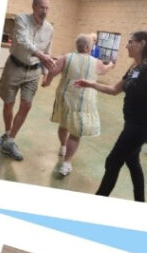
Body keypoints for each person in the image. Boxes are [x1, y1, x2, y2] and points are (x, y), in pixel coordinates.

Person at [75, 31, 147, 202]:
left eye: (130, 42)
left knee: (112, 162)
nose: (126, 45)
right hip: (131, 122)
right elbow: (114, 90)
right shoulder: (134, 67)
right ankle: (140, 201)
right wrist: (90, 84)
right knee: (132, 162)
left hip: (142, 126)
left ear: (142, 44)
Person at [0, 0, 55, 161]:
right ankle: (6, 133)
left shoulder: (49, 29)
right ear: (33, 6)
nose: (44, 11)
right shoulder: (21, 19)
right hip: (14, 67)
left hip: (33, 71)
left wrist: (46, 74)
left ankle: (10, 141)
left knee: (26, 105)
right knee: (8, 103)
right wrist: (40, 54)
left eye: (47, 8)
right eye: (42, 7)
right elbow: (22, 40)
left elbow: (47, 52)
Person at [42, 34, 108, 177]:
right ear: (87, 47)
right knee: (76, 132)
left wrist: (47, 82)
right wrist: (111, 65)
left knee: (64, 124)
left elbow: (53, 71)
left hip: (65, 96)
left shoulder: (66, 57)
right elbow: (104, 70)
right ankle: (66, 163)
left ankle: (63, 147)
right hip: (83, 100)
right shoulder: (96, 62)